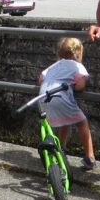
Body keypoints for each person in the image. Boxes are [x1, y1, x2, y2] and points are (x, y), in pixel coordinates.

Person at [39, 38, 95, 170]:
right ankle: (89, 157)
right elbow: (80, 86)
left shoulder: (54, 65)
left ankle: (61, 148)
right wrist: (76, 85)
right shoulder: (78, 66)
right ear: (78, 53)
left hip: (43, 97)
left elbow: (41, 78)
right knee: (82, 122)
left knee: (64, 121)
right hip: (60, 97)